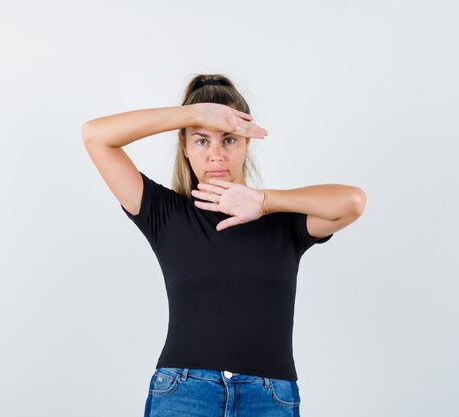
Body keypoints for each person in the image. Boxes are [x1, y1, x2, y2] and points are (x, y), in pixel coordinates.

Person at [81, 74, 366, 417]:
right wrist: (193, 114)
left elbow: (352, 201)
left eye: (229, 139)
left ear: (247, 143)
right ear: (184, 146)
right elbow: (95, 137)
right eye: (201, 141)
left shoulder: (282, 220)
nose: (216, 154)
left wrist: (262, 202)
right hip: (183, 392)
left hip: (269, 396)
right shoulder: (165, 214)